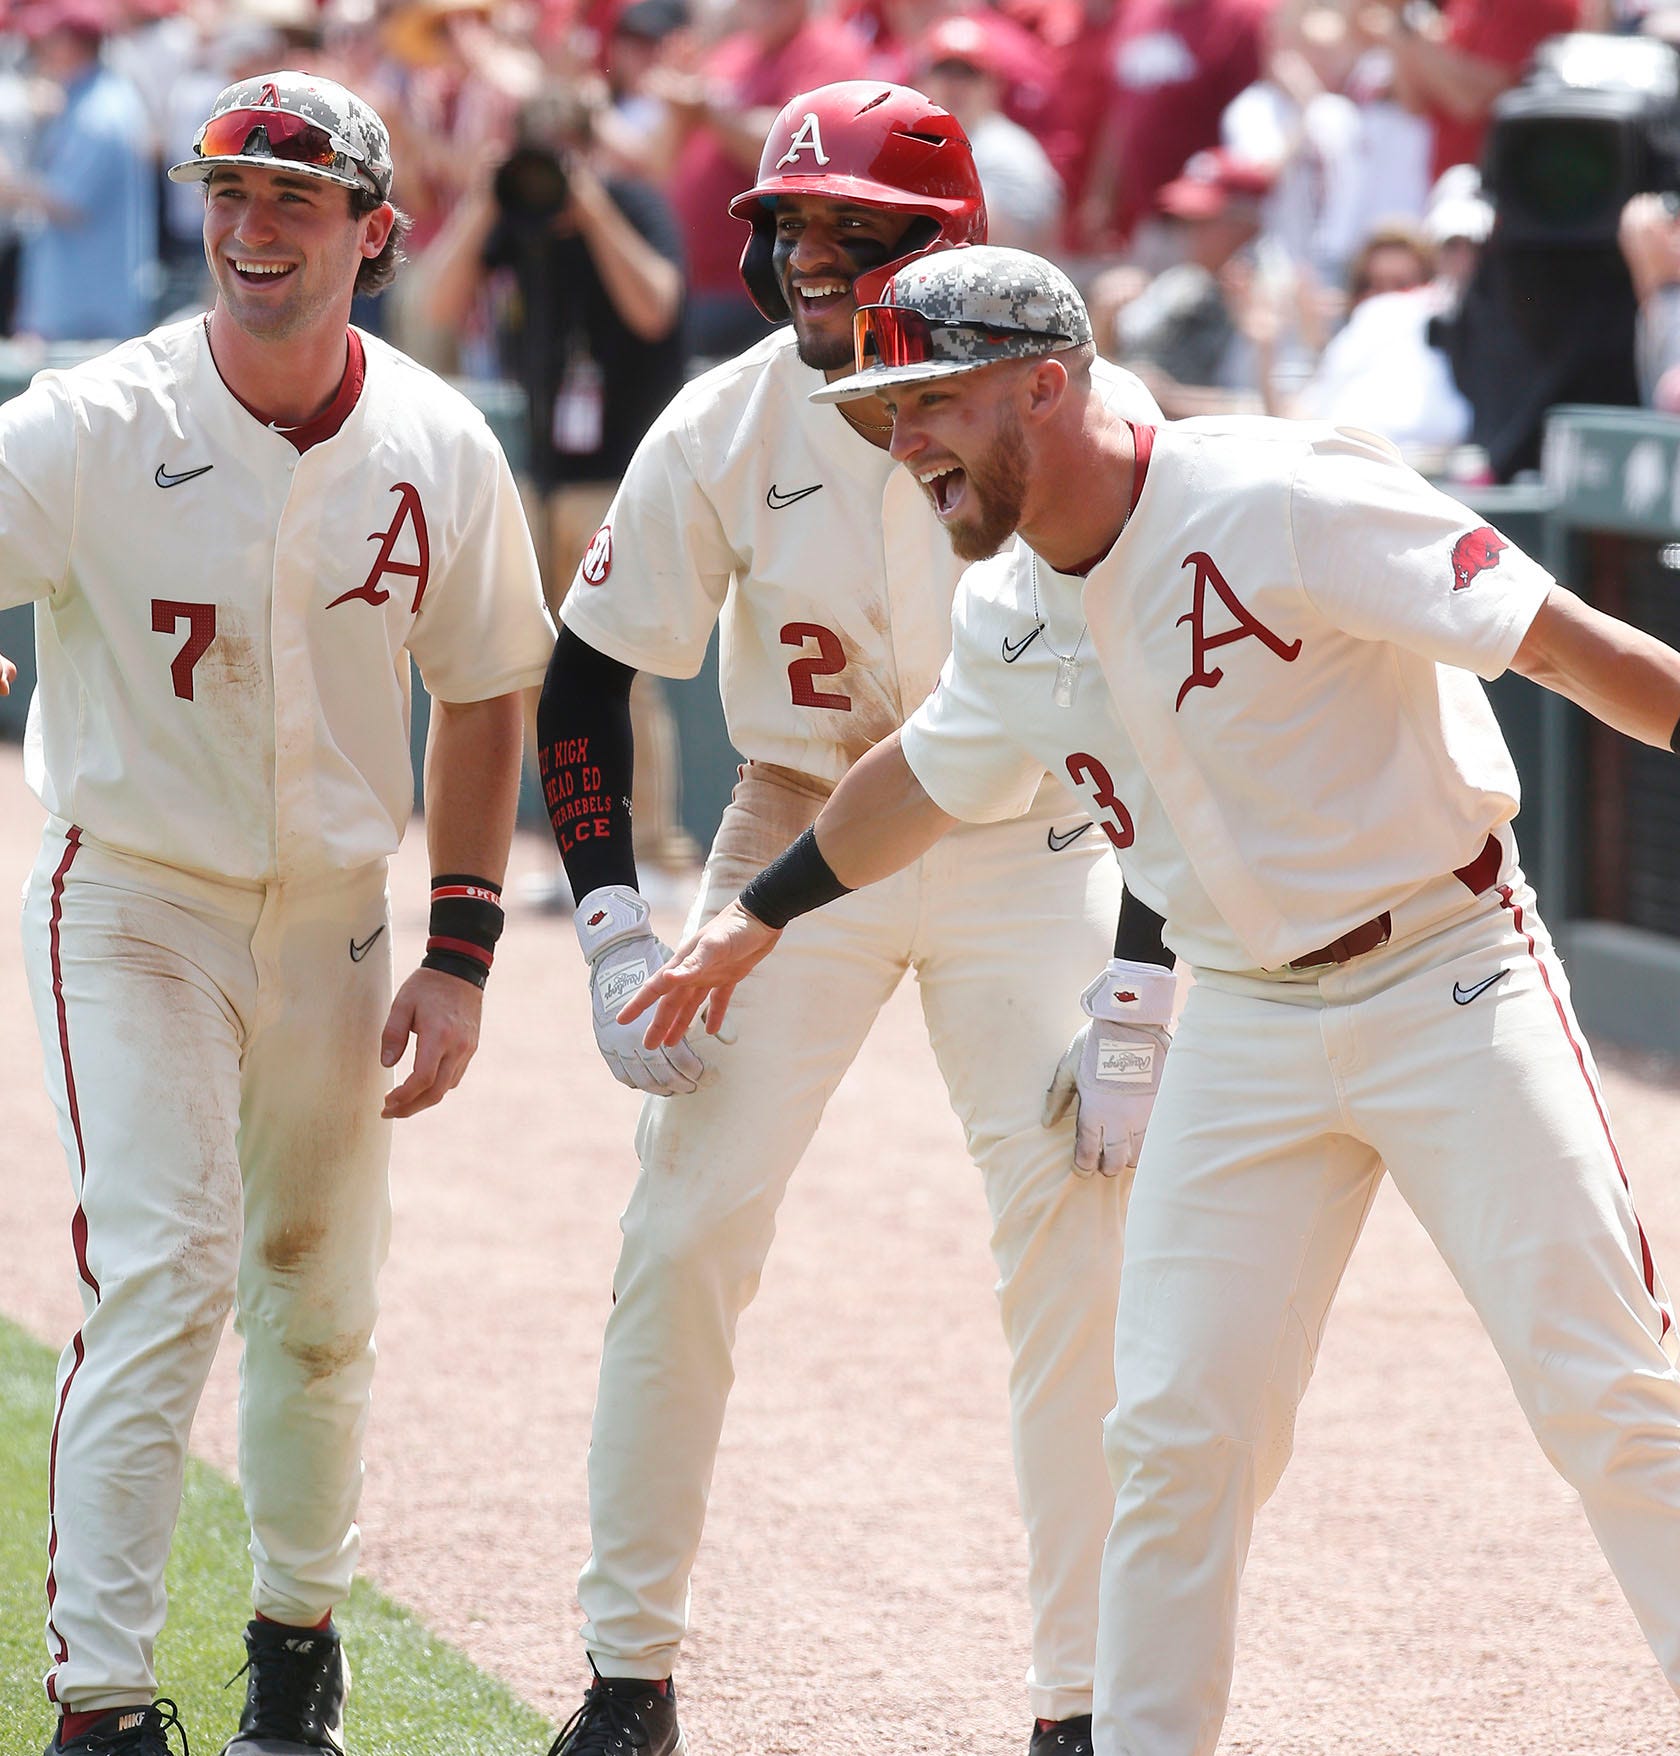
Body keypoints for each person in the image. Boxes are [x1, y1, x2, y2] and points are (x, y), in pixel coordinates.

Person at [623, 244, 1680, 1755]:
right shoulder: (1005, 607)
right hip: (1245, 1020)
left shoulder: (1286, 496)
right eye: (884, 407)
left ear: (1045, 384)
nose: (899, 438)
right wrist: (757, 920)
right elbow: (921, 776)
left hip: (1452, 972)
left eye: (929, 399)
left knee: (1608, 1392)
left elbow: (1569, 648)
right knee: (1174, 1435)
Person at [534, 83, 1163, 1756]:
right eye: (791, 224)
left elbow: (1171, 709)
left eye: (858, 230)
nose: (814, 256)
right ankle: (627, 1673)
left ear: (948, 245)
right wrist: (611, 919)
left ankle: (1084, 1705)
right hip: (788, 824)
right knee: (684, 1232)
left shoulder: (1065, 402)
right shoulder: (728, 420)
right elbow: (590, 671)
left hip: (1031, 838)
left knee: (1078, 1240)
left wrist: (1143, 983)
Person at [0, 70, 554, 1756]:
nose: (251, 229)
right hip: (137, 889)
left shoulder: (438, 440)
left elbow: (486, 688)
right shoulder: (93, 419)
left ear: (374, 235)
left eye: (294, 201)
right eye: (230, 195)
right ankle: (101, 1695)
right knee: (165, 1264)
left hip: (336, 911)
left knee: (319, 1295)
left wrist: (460, 945)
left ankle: (296, 1656)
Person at [420, 75, 698, 888]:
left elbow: (657, 305)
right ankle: (580, 853)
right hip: (541, 477)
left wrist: (594, 210)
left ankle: (654, 852)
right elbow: (436, 303)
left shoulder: (633, 205)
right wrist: (482, 199)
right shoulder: (516, 217)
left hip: (622, 470)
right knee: (546, 676)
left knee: (620, 673)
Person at [0, 0, 158, 343]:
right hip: (77, 312)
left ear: (71, 42)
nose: (35, 47)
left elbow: (69, 203)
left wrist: (9, 185)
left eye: (45, 39)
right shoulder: (88, 99)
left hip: (87, 321)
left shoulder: (99, 112)